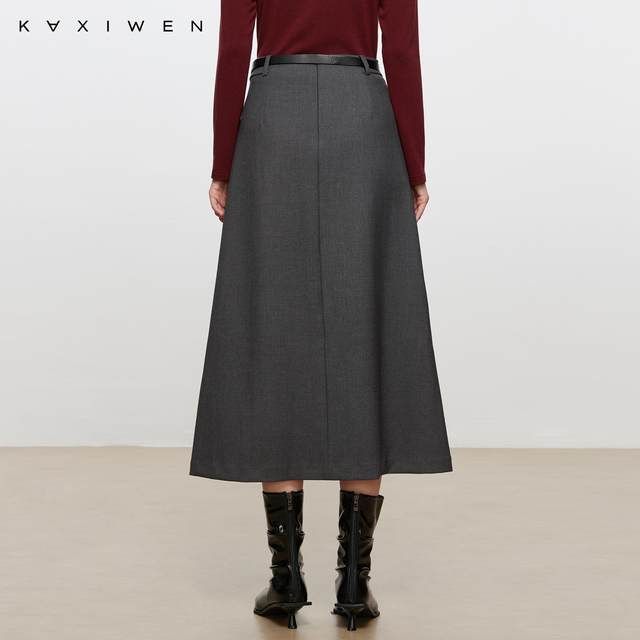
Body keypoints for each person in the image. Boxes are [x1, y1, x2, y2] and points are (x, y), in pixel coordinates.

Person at [190, 0, 452, 631]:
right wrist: (414, 164)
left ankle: (286, 581)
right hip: (361, 117)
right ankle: (355, 584)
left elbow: (232, 51)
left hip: (272, 114)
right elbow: (404, 53)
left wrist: (224, 162)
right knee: (366, 330)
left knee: (274, 332)